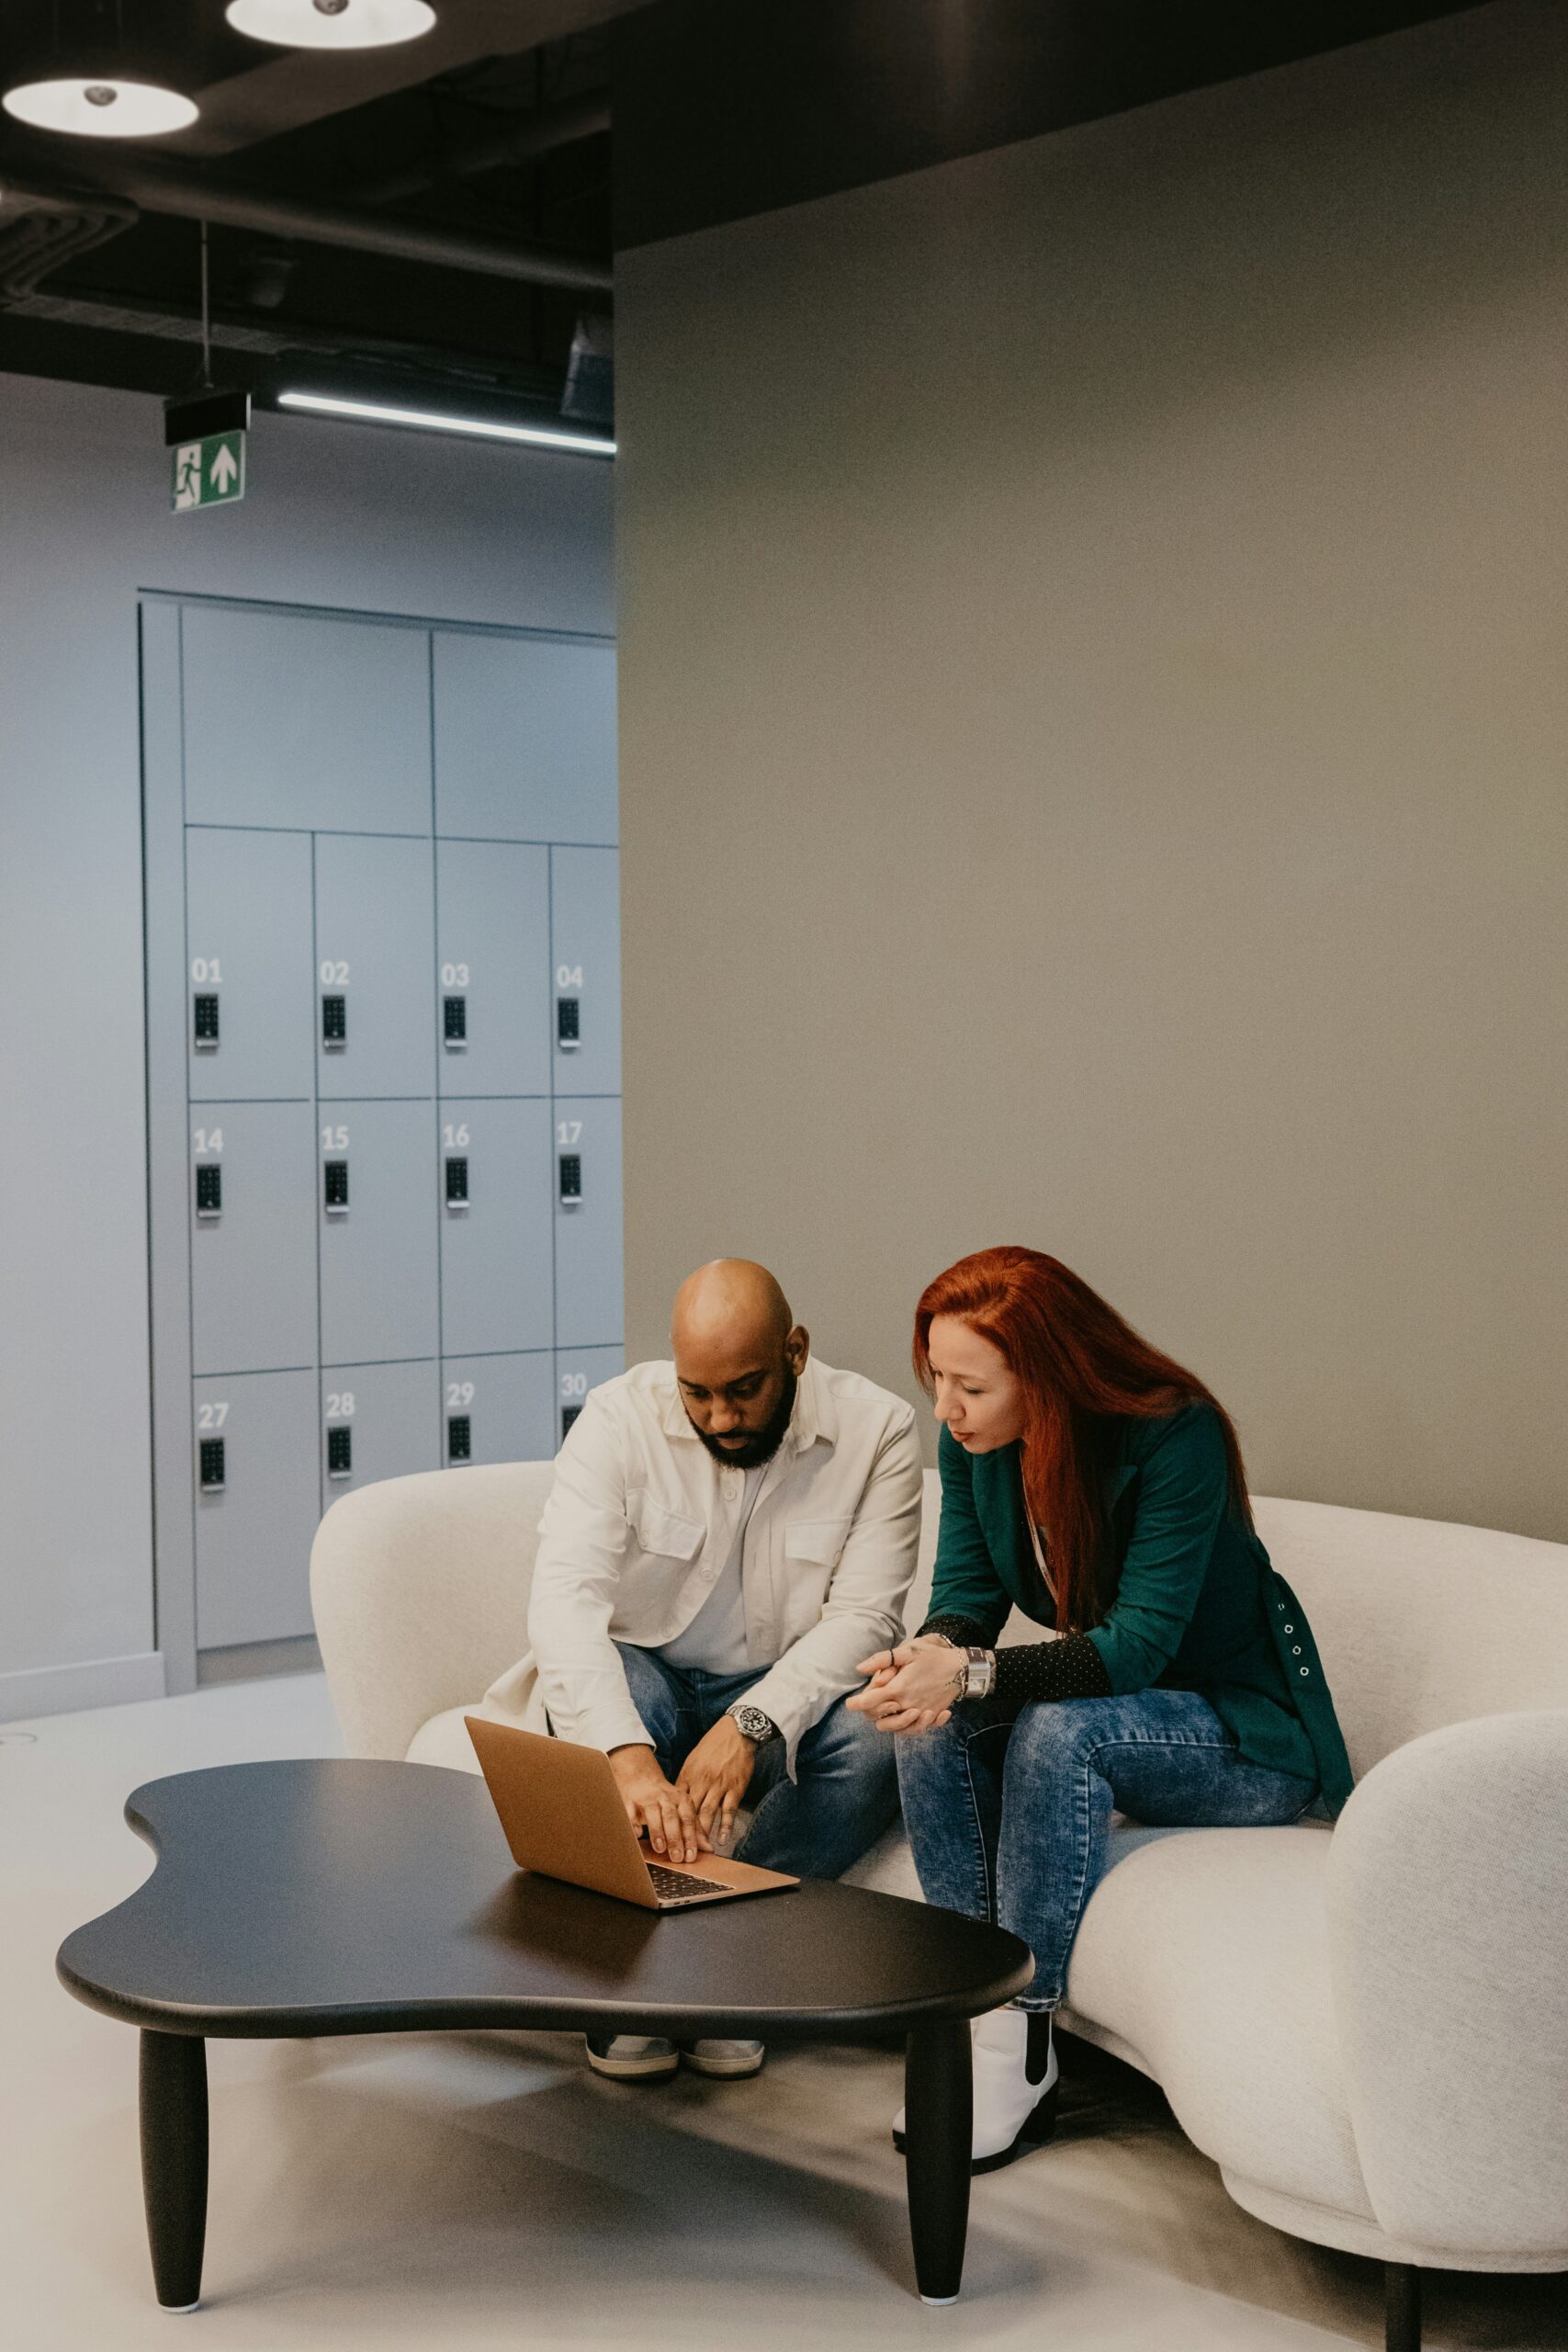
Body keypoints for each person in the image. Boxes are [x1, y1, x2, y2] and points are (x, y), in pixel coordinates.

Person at [850, 1246, 1352, 2173]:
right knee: (935, 1722)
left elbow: (1136, 1649)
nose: (944, 1410)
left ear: (1044, 1375)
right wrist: (931, 1657)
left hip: (1244, 1735)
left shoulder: (1174, 1434)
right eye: (935, 1379)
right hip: (1133, 1717)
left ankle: (1021, 2043)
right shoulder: (974, 1444)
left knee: (1056, 1727)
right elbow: (966, 1596)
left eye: (969, 1385)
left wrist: (965, 1674)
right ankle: (967, 2004)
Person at [480, 1258, 920, 2084]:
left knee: (881, 1741)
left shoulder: (880, 1430)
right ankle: (657, 1973)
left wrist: (754, 1723)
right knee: (607, 1692)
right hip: (647, 1675)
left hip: (786, 1689)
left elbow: (865, 1618)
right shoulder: (619, 1418)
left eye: (744, 1390)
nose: (719, 1417)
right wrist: (627, 1757)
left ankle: (721, 1969)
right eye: (697, 1393)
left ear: (794, 1351)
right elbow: (565, 1603)